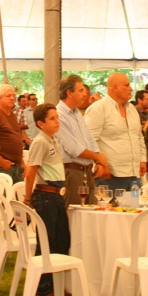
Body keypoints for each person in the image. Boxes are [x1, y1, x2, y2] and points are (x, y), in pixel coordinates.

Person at [24, 103, 70, 296]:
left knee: (61, 240)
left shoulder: (53, 140)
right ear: (40, 123)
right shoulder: (40, 142)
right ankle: (42, 288)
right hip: (46, 195)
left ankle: (55, 284)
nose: (57, 121)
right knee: (46, 241)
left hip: (57, 195)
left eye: (57, 117)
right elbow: (30, 173)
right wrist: (27, 199)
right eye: (52, 119)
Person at [84, 73, 146, 192]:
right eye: (127, 85)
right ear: (115, 87)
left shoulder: (132, 109)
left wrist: (142, 159)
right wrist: (100, 163)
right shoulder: (98, 108)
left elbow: (139, 136)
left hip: (134, 174)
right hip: (110, 175)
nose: (131, 88)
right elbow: (89, 140)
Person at [56, 75, 109, 206]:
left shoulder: (77, 113)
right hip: (72, 171)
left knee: (90, 213)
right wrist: (97, 157)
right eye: (80, 90)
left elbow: (89, 139)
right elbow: (73, 149)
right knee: (74, 214)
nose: (85, 94)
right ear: (69, 93)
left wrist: (98, 161)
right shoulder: (59, 114)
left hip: (87, 171)